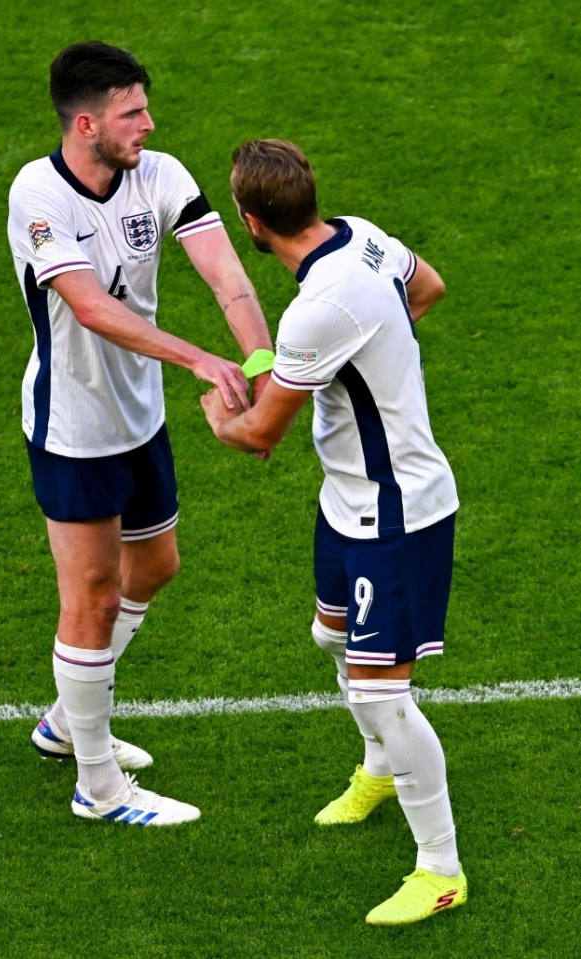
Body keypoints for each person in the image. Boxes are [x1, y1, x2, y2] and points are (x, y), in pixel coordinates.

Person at [201, 139, 467, 923]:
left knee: (382, 691)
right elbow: (429, 287)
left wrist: (218, 413)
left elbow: (256, 436)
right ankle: (381, 767)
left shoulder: (315, 310)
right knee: (331, 639)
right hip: (345, 500)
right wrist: (371, 363)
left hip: (396, 513)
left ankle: (440, 868)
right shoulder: (364, 234)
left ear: (251, 222)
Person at [7, 42, 272, 826]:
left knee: (154, 565)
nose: (148, 125)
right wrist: (194, 356)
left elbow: (226, 276)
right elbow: (89, 306)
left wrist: (259, 367)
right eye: (131, 114)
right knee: (90, 595)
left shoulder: (159, 176)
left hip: (138, 417)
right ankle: (97, 782)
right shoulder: (36, 194)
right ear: (85, 123)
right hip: (74, 426)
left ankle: (66, 717)